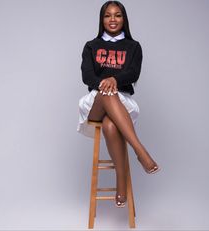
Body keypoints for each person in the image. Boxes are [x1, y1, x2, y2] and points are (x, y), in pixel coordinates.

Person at [77, 0, 160, 208]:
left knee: (110, 125)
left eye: (117, 15)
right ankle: (141, 151)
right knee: (106, 91)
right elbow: (87, 76)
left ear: (124, 19)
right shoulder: (91, 46)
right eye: (108, 15)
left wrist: (115, 80)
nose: (112, 19)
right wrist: (105, 82)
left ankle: (121, 184)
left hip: (122, 102)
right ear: (102, 19)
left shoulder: (133, 47)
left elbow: (133, 73)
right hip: (95, 101)